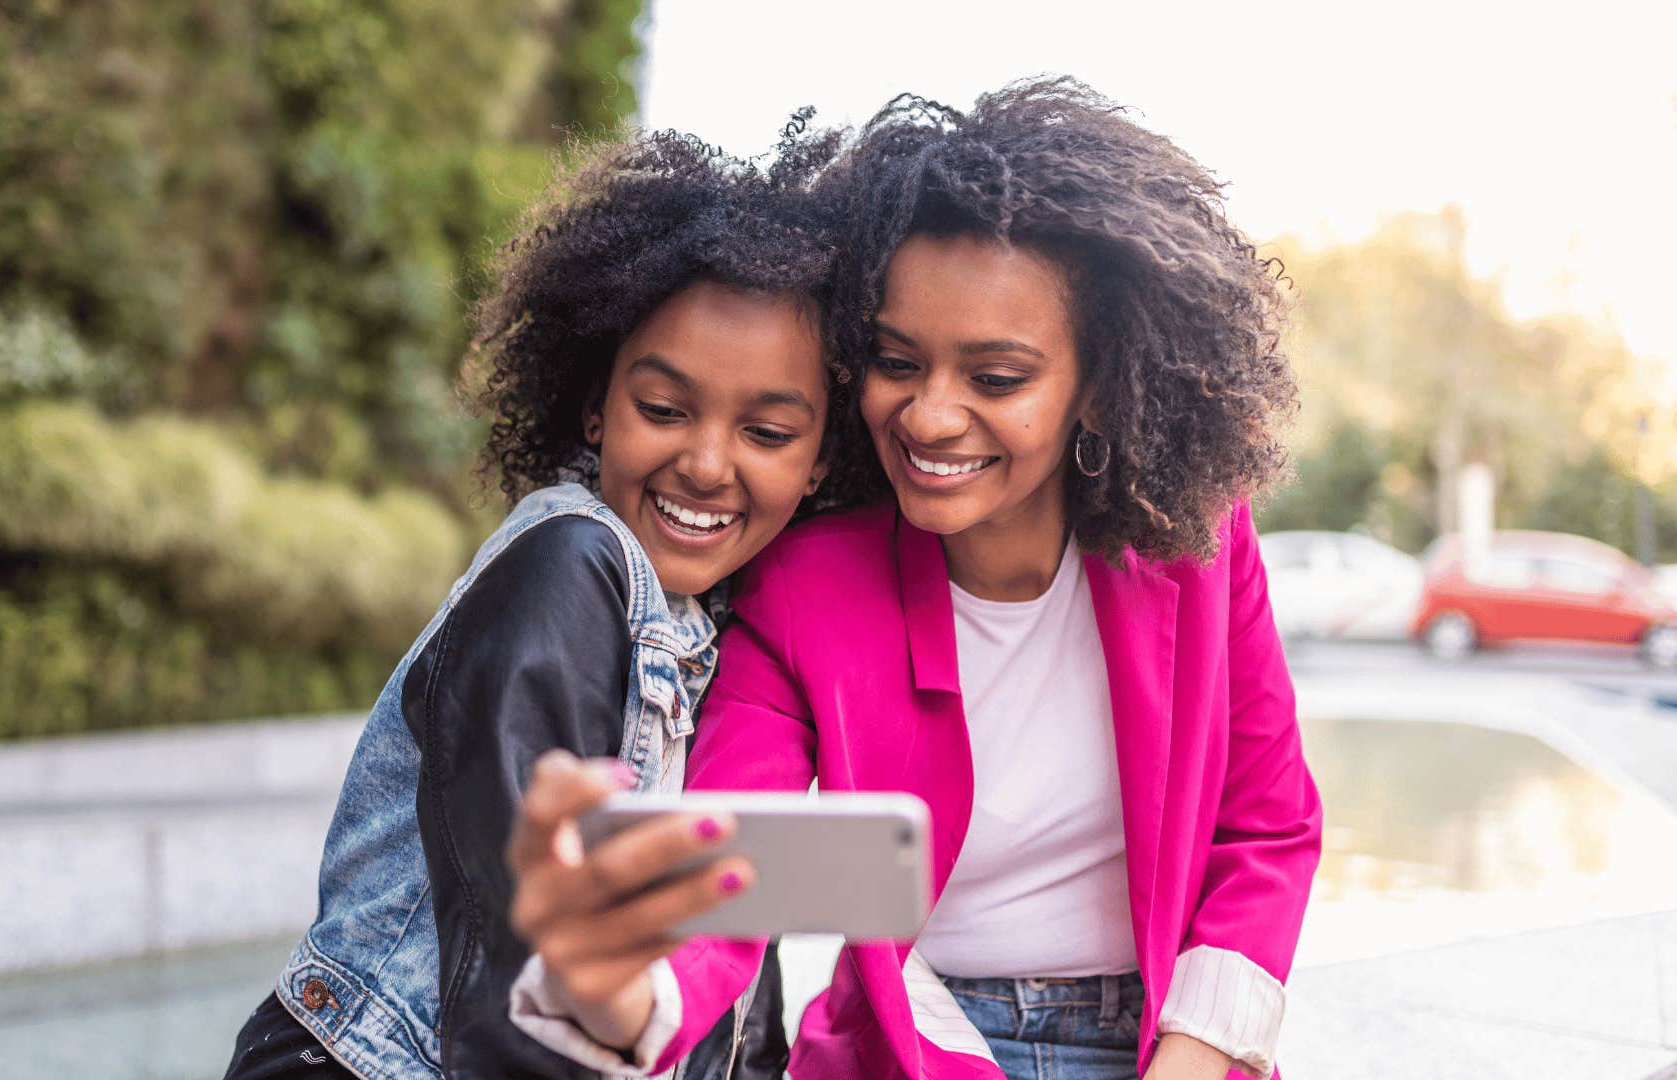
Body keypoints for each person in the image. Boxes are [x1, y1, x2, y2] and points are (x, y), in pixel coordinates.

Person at [507, 78, 1323, 1080]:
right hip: (913, 1052)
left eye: (996, 379)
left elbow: (1268, 826)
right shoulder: (806, 586)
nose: (930, 418)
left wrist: (1190, 1062)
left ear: (1099, 390)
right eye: (898, 361)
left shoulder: (1194, 540)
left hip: (1176, 1044)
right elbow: (727, 860)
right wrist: (623, 987)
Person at [222, 119, 856, 1080]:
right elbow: (514, 953)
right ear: (595, 404)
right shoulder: (568, 566)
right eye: (664, 409)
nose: (706, 462)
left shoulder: (735, 636)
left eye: (767, 432)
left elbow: (728, 966)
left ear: (819, 463)